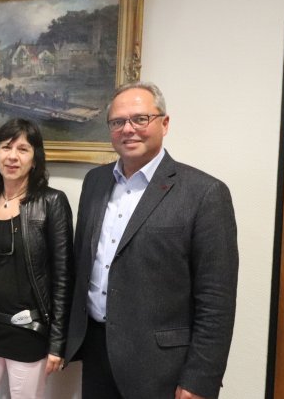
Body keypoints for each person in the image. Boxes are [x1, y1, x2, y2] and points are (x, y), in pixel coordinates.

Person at [64, 81, 238, 399]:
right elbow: (85, 265)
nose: (128, 129)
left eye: (140, 119)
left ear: (164, 123)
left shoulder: (205, 193)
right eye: (118, 122)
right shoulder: (95, 181)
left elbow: (216, 301)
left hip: (159, 366)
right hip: (97, 351)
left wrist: (200, 379)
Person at [0, 118, 73, 399]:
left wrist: (57, 344)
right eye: (6, 147)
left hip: (27, 333)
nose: (12, 156)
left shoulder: (52, 202)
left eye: (23, 149)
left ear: (35, 159)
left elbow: (63, 278)